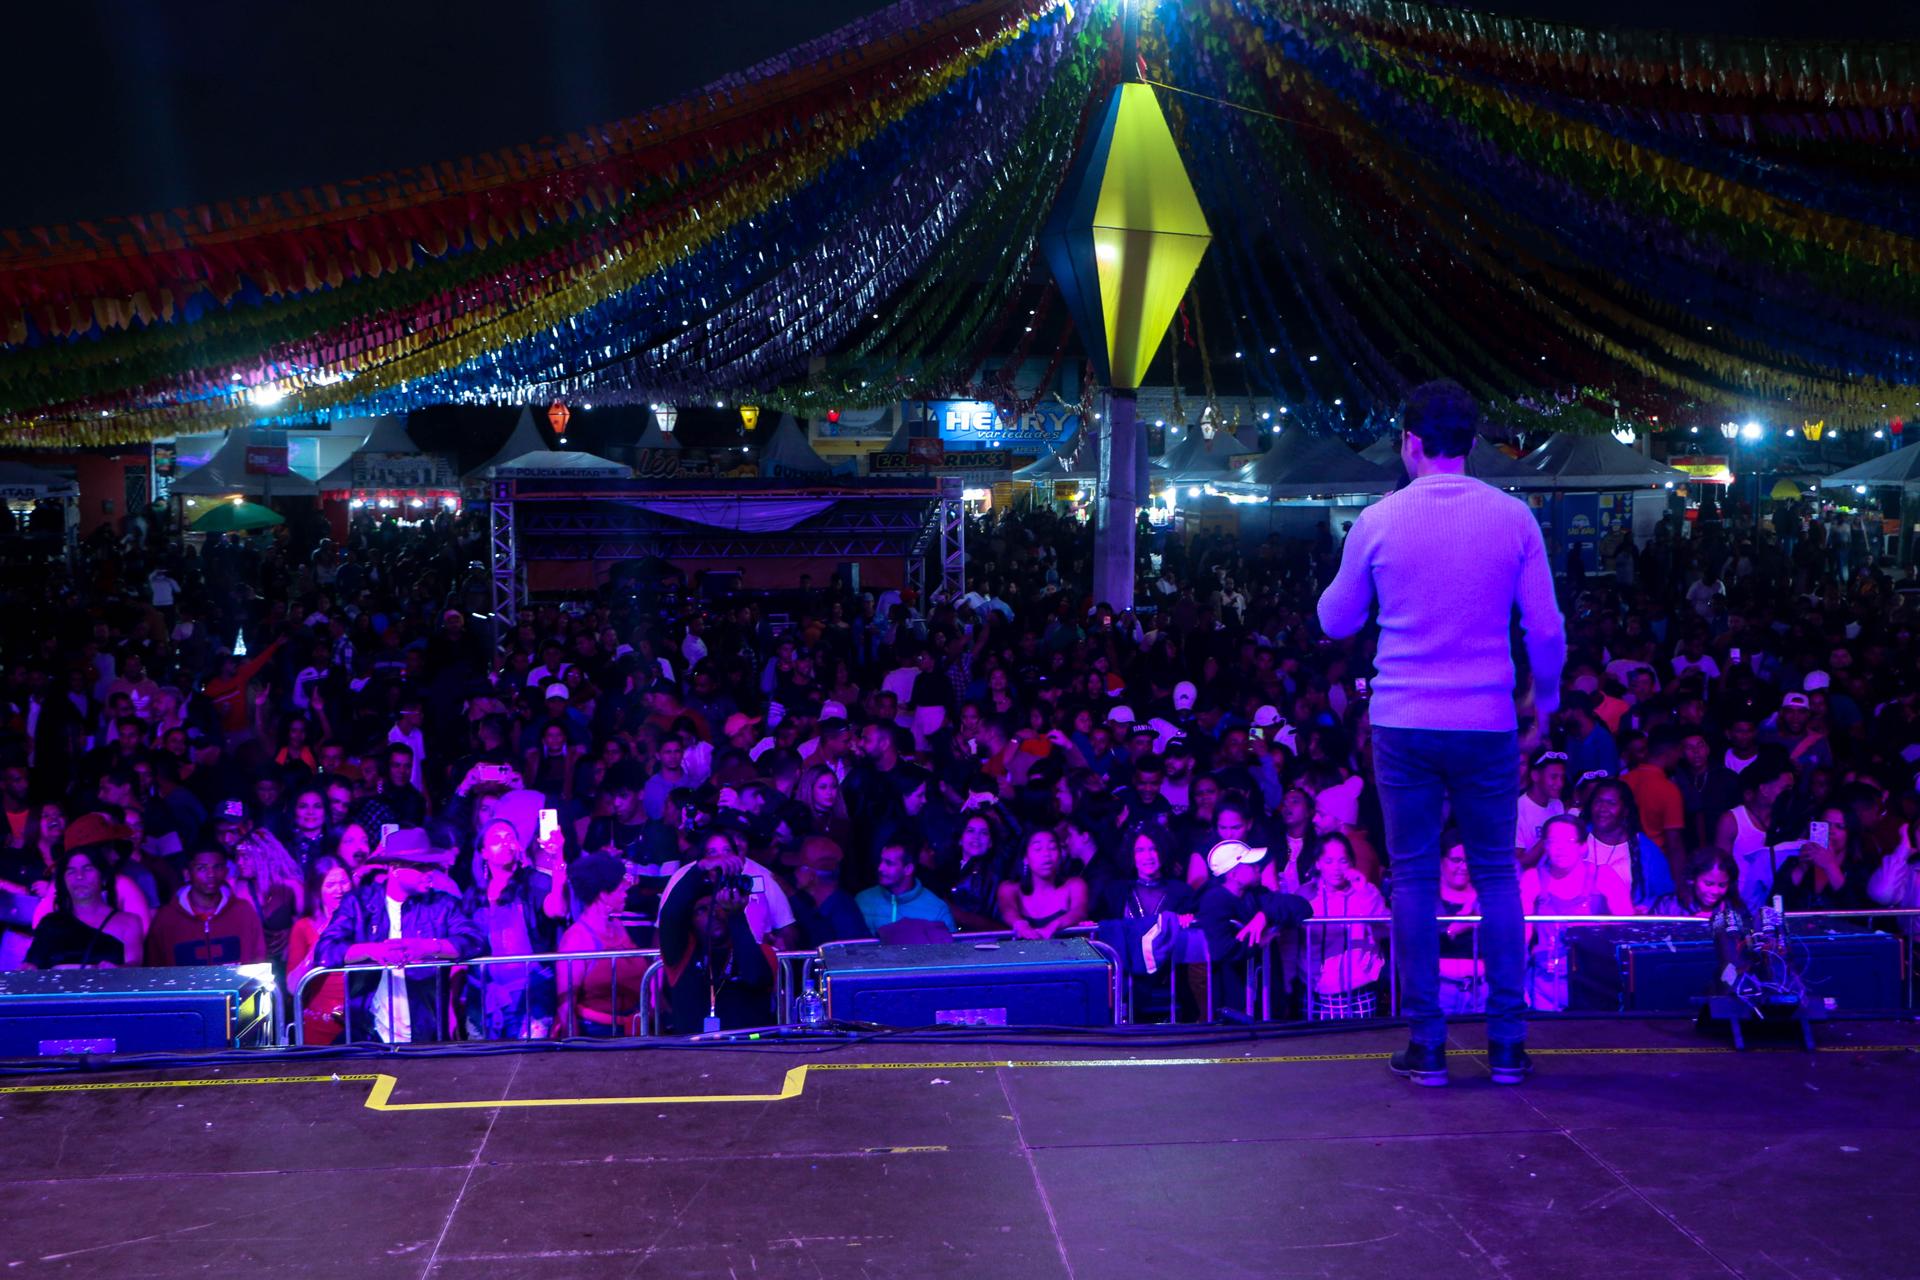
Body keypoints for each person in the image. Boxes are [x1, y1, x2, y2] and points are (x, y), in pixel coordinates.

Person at [1317, 380, 1565, 1086]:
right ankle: (1508, 1044)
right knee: (1497, 874)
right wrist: (1543, 700)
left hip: (1403, 721)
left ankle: (1427, 1045)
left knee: (1416, 877)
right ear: (1472, 442)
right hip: (1487, 720)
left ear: (1410, 442)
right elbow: (1546, 628)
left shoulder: (1379, 519)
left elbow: (1335, 620)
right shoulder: (1512, 517)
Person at [313, 829, 486, 1044]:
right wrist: (373, 951)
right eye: (421, 867)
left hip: (426, 1028)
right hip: (368, 1030)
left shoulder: (442, 904)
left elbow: (474, 941)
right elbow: (326, 949)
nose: (429, 873)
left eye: (431, 866)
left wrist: (427, 947)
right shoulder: (359, 903)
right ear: (395, 869)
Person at [463, 816, 570, 1040]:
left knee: (528, 1058)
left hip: (531, 994)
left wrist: (557, 859)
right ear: (483, 852)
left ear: (519, 846)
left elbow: (557, 910)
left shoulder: (536, 881)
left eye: (510, 838)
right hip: (484, 997)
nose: (505, 843)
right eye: (497, 839)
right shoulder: (473, 894)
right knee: (483, 1061)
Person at [1519, 815, 1632, 1011]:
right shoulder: (1532, 879)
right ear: (1545, 846)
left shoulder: (1604, 876)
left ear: (1583, 846)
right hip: (1545, 982)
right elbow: (1521, 936)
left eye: (1568, 841)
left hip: (1595, 980)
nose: (1560, 848)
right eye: (1553, 841)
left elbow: (1628, 929)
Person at [557, 853, 649, 1036]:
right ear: (603, 894)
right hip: (596, 1034)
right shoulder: (576, 940)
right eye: (620, 886)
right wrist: (575, 1047)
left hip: (632, 1029)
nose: (626, 890)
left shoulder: (619, 926)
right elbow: (565, 1007)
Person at [143, 847, 267, 966]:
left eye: (217, 867)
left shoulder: (243, 911)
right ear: (187, 874)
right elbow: (155, 969)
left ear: (226, 872)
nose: (211, 874)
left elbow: (259, 959)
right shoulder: (166, 918)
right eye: (201, 868)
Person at [24, 846, 145, 968]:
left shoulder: (129, 922)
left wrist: (114, 971)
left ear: (103, 877)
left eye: (87, 869)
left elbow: (134, 965)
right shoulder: (50, 923)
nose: (79, 876)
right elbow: (31, 965)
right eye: (71, 871)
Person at [288, 858, 353, 1045]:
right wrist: (321, 944)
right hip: (318, 1028)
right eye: (331, 885)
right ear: (318, 890)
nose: (339, 890)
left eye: (344, 882)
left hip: (357, 1025)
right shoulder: (303, 927)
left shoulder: (363, 922)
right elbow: (292, 986)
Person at [997, 828, 1089, 940]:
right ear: (1025, 858)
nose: (1046, 854)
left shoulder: (1074, 885)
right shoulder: (1009, 888)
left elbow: (1079, 911)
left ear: (1060, 855)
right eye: (1038, 848)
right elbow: (1008, 909)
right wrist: (1020, 925)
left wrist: (1056, 925)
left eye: (1052, 848)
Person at [855, 839, 956, 936]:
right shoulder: (862, 900)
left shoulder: (937, 910)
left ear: (908, 869)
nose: (880, 868)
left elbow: (950, 947)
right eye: (881, 862)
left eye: (889, 863)